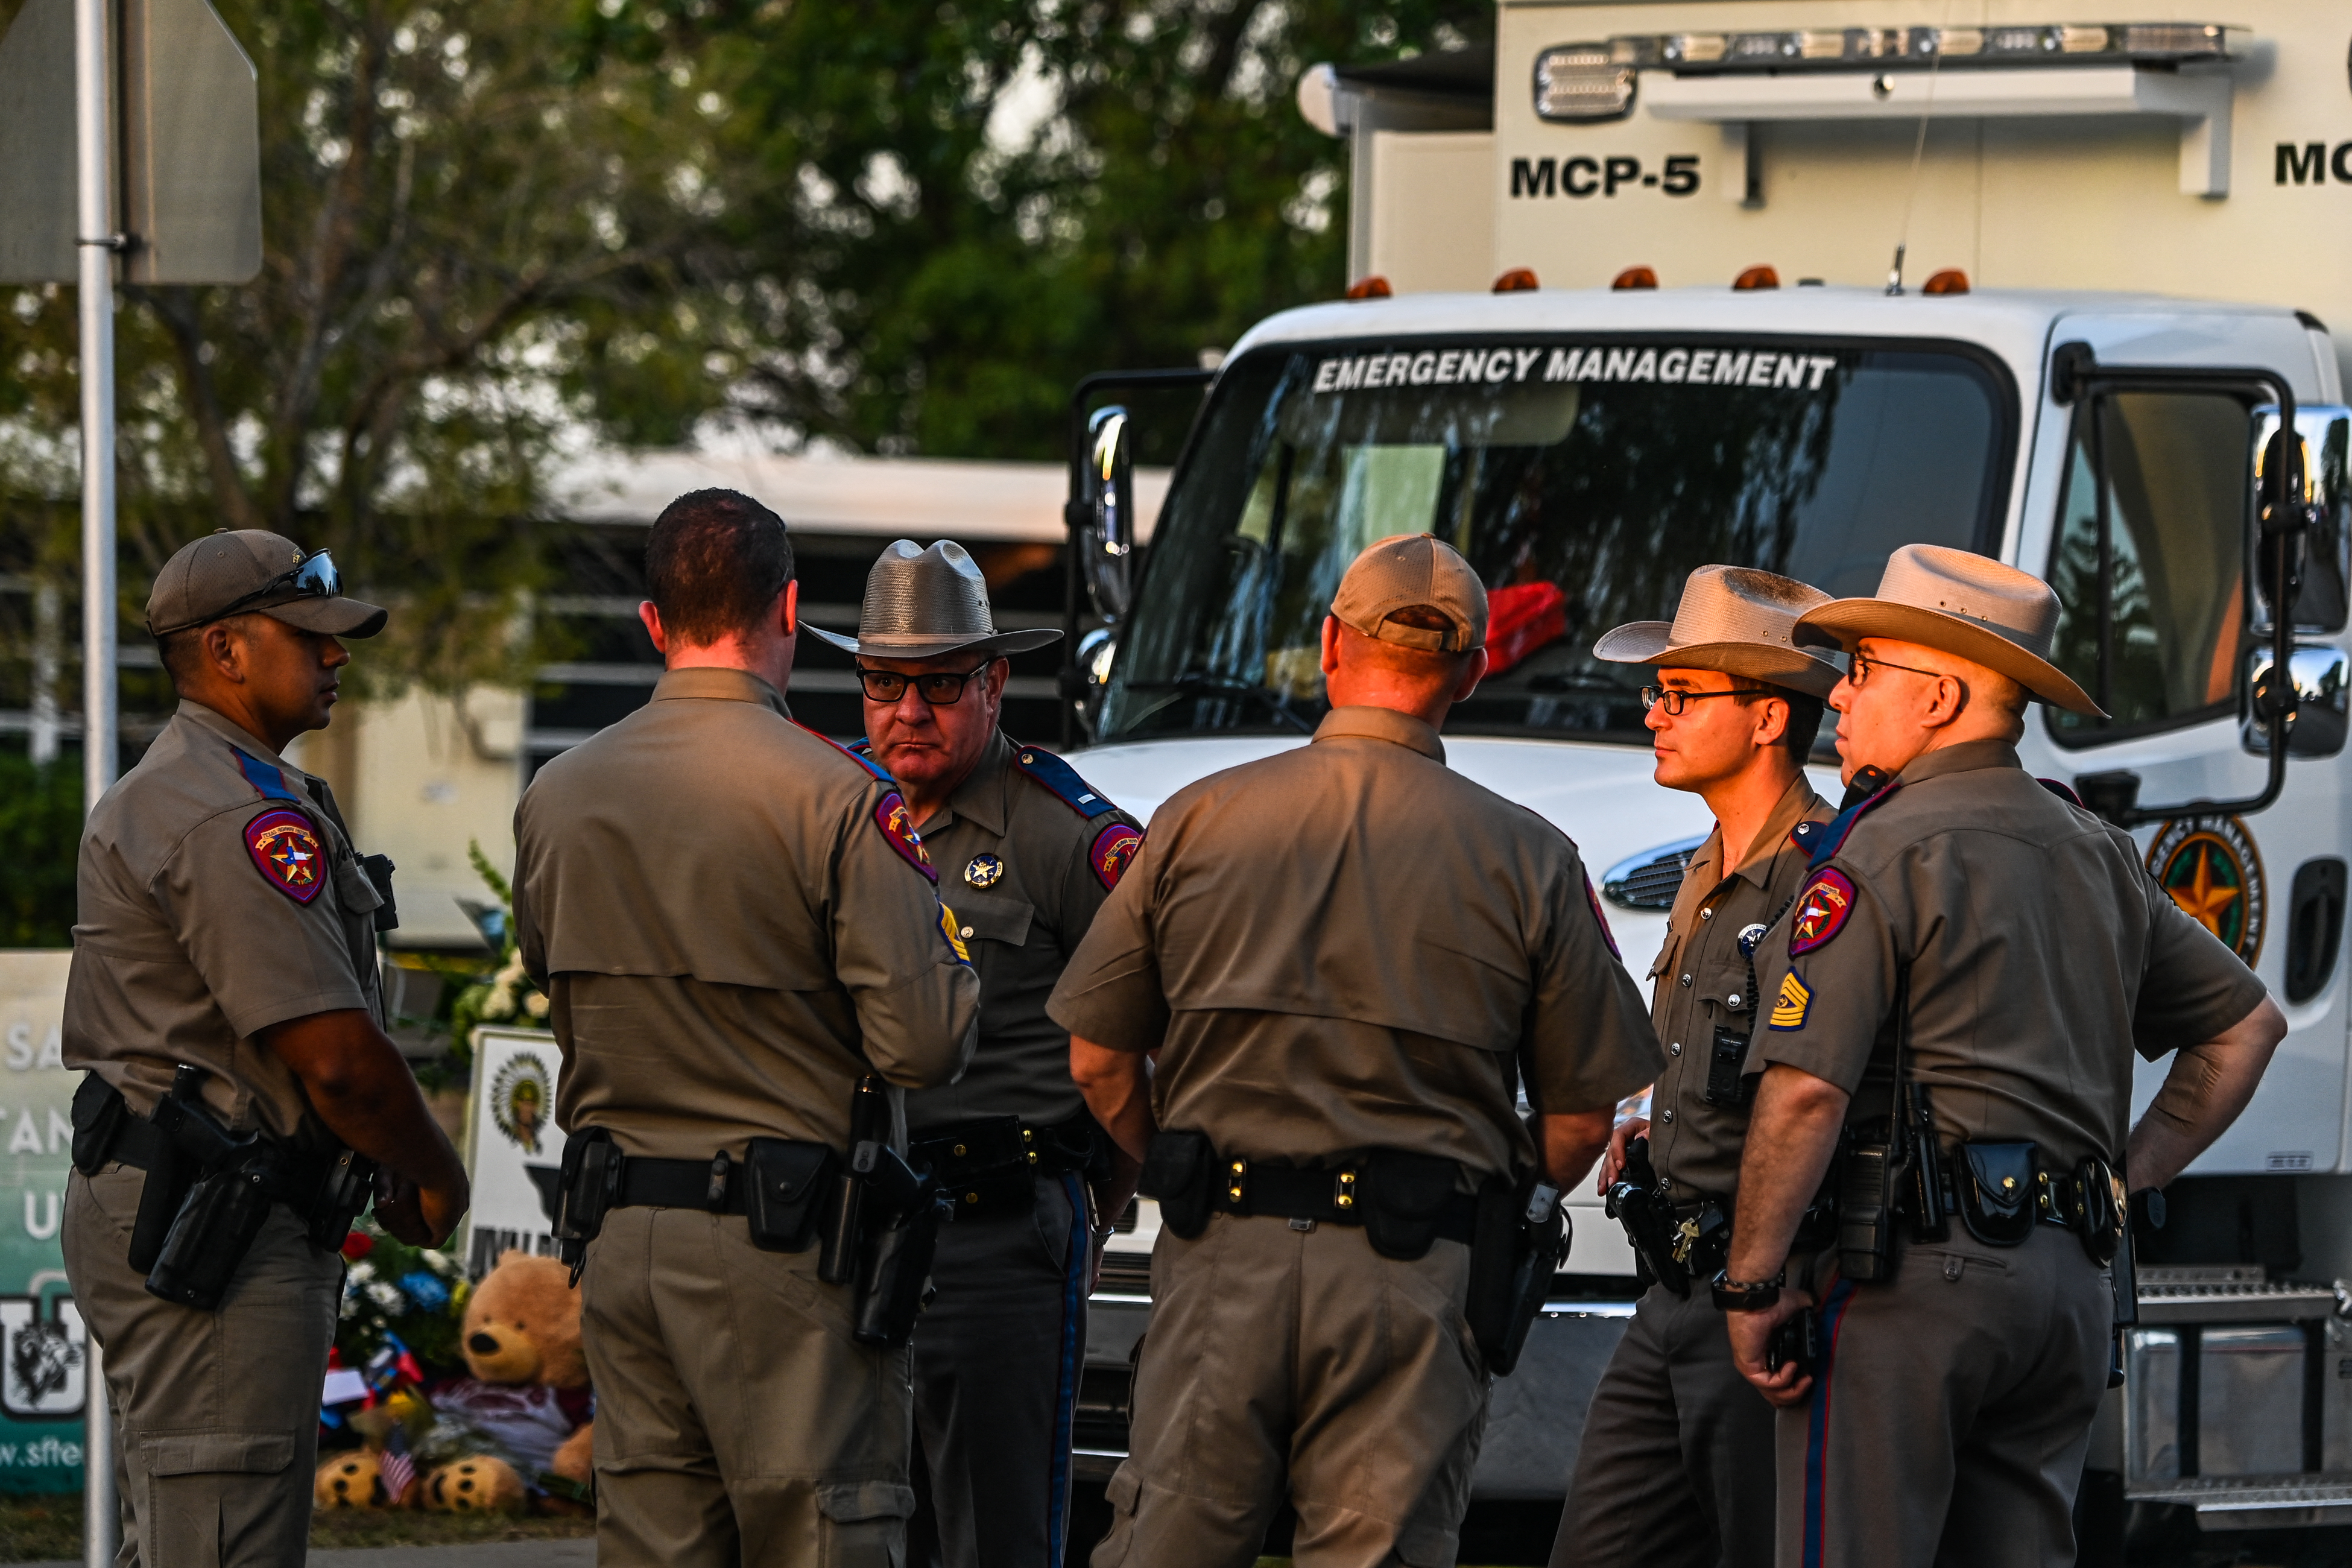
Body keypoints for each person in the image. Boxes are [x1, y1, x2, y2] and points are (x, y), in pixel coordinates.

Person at [1050, 533, 1663, 1568]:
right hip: (1414, 1279)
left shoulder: (1197, 819)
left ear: (1330, 643)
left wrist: (1177, 1159)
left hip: (1219, 1261)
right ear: (1471, 672)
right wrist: (1481, 1189)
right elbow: (1576, 1125)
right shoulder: (1534, 859)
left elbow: (1098, 1062)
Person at [1721, 544, 2288, 1568]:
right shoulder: (2101, 851)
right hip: (2069, 1287)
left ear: (1938, 696)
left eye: (1863, 670)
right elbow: (2246, 1027)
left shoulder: (1880, 849)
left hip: (1911, 1283)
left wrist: (1753, 1285)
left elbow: (1804, 1094)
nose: (1838, 698)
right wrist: (2130, 1169)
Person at [511, 490, 981, 1568]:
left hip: (621, 1238)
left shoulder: (559, 793)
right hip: (788, 1256)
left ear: (651, 621)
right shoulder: (840, 797)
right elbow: (922, 1044)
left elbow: (551, 976)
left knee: (655, 1544)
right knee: (824, 1535)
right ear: (790, 608)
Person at [63, 529, 471, 1567]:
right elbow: (336, 1056)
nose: (338, 655)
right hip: (213, 1214)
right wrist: (432, 1167)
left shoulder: (233, 787)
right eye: (310, 635)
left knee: (195, 1526)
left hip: (217, 1201)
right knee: (220, 1537)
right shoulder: (224, 813)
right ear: (228, 650)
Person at [809, 539, 1145, 1568]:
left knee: (993, 1538)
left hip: (1001, 1237)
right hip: (849, 1232)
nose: (908, 711)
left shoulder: (1067, 837)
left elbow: (1151, 1032)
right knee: (849, 1527)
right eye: (883, 683)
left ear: (995, 682)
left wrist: (1101, 1193)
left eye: (941, 684)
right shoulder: (826, 808)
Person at [1553, 566, 1842, 1568]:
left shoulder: (1820, 877)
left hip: (1755, 1294)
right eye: (1656, 693)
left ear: (1768, 719)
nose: (1654, 716)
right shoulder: (1704, 870)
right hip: (1669, 1289)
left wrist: (1760, 1282)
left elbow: (1816, 1086)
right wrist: (1649, 1111)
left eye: (1682, 696)